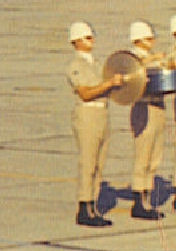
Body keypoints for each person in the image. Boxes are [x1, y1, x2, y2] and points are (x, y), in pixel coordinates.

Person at [66, 21, 125, 227]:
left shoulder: (97, 64)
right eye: (87, 37)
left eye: (92, 37)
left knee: (99, 164)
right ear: (76, 41)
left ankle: (93, 206)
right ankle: (84, 207)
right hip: (87, 113)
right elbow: (85, 93)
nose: (92, 41)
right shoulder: (76, 66)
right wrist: (109, 83)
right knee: (88, 162)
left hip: (102, 113)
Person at [124, 21, 168, 220]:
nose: (153, 41)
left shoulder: (152, 57)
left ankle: (146, 199)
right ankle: (138, 200)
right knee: (143, 156)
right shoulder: (132, 59)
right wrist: (154, 59)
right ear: (138, 40)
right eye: (149, 38)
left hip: (158, 106)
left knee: (154, 157)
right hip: (144, 108)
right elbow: (133, 72)